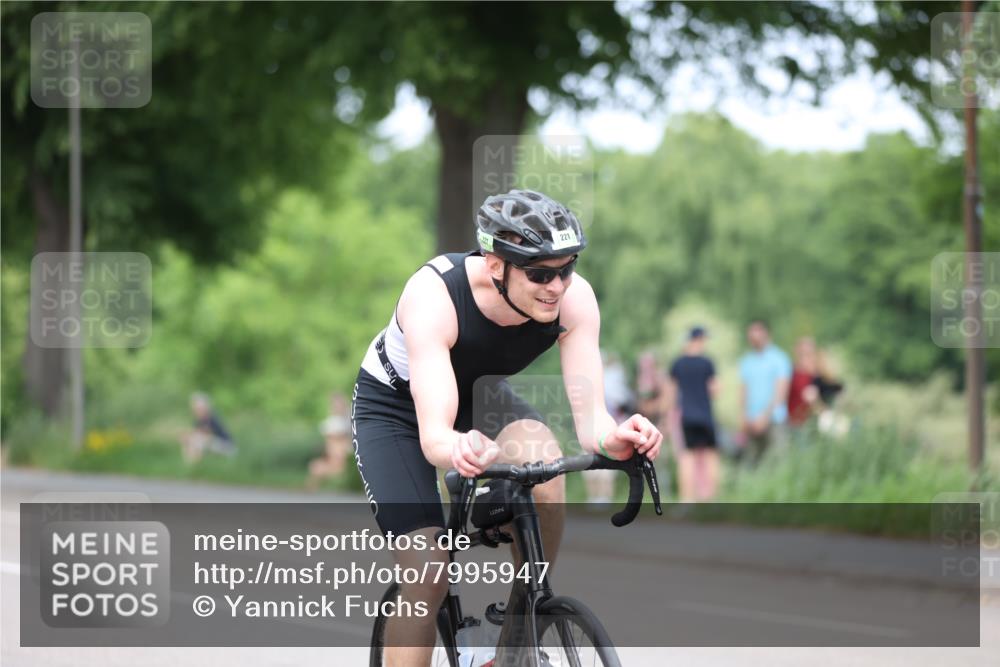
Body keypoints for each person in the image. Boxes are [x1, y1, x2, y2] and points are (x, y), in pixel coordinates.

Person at [351, 189, 663, 666]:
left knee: (546, 468)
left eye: (566, 268)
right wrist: (458, 446)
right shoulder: (435, 295)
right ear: (496, 265)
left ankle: (518, 636)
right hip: (395, 407)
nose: (556, 286)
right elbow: (436, 436)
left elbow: (592, 421)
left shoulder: (574, 301)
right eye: (539, 273)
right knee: (429, 574)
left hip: (479, 395)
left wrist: (615, 438)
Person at [667, 327, 721, 501]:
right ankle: (709, 500)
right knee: (711, 456)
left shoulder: (678, 363)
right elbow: (715, 390)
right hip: (705, 416)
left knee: (686, 458)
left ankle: (687, 500)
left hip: (687, 417)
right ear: (699, 339)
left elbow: (671, 394)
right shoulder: (707, 363)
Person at [738, 319, 792, 464]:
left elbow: (780, 393)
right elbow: (744, 391)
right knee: (753, 463)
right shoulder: (746, 361)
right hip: (751, 421)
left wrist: (764, 417)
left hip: (774, 419)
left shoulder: (779, 358)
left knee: (779, 461)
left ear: (766, 334)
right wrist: (744, 416)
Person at [583, 351, 633, 505]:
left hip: (609, 429)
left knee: (606, 470)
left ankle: (605, 497)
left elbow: (624, 404)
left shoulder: (615, 385)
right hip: (589, 429)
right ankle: (593, 497)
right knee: (589, 467)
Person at [306, 392, 351, 490]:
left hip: (341, 457)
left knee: (318, 467)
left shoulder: (346, 423)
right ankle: (312, 488)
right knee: (315, 466)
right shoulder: (332, 421)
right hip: (332, 457)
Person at [181, 392, 236, 463]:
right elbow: (196, 433)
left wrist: (193, 438)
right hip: (213, 445)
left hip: (226, 446)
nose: (196, 411)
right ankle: (194, 465)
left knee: (197, 441)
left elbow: (208, 436)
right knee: (190, 442)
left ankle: (197, 465)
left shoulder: (212, 419)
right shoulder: (198, 420)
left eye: (198, 409)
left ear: (205, 408)